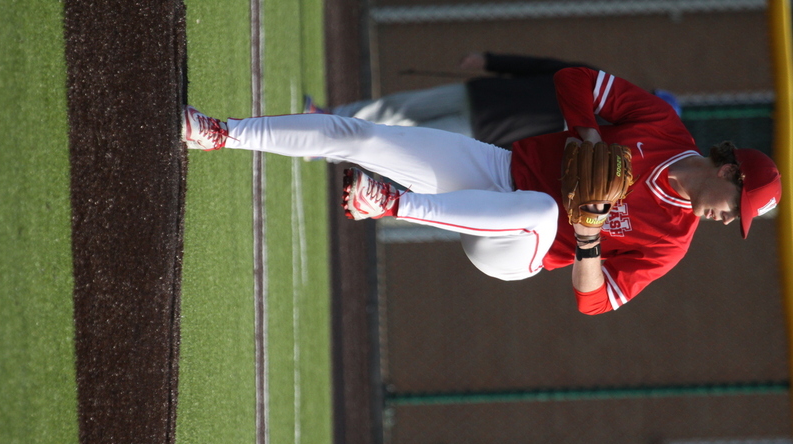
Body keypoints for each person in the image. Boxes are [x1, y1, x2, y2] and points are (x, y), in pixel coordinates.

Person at [182, 66, 782, 315]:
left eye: (741, 219)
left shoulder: (672, 242)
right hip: (494, 171)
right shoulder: (660, 126)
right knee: (359, 136)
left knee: (546, 211)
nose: (731, 220)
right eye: (739, 207)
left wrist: (592, 242)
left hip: (517, 247)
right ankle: (219, 133)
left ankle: (390, 204)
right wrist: (587, 139)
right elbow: (574, 81)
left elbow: (594, 301)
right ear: (729, 170)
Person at [305, 52, 682, 149]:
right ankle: (326, 119)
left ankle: (323, 143)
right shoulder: (598, 81)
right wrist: (490, 61)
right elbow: (542, 66)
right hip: (481, 95)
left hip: (483, 129)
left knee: (393, 135)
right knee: (394, 108)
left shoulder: (597, 139)